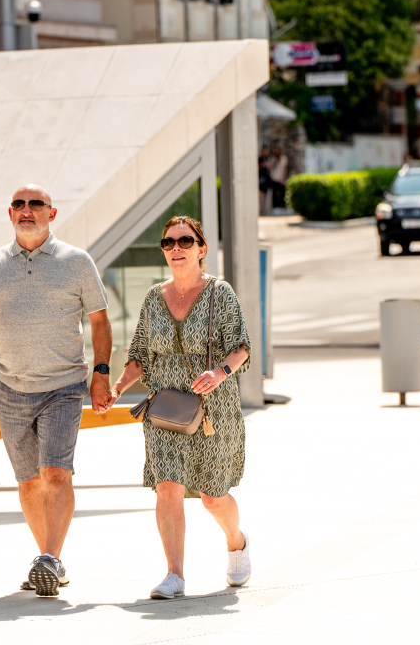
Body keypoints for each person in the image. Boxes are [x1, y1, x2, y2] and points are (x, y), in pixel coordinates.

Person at [0, 184, 113, 597]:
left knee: (56, 473)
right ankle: (48, 560)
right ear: (10, 213)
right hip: (10, 388)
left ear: (52, 213)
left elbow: (99, 321)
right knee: (28, 483)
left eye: (35, 204)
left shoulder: (76, 262)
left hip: (63, 384)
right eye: (19, 205)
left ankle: (49, 560)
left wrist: (100, 373)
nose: (27, 211)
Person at [99, 215, 252, 599]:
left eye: (185, 242)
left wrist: (218, 373)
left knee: (212, 496)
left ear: (202, 249)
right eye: (169, 243)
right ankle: (175, 575)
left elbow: (242, 347)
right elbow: (139, 355)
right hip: (166, 410)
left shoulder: (221, 293)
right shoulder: (154, 298)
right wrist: (117, 386)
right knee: (167, 486)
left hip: (214, 411)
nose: (177, 249)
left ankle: (236, 541)